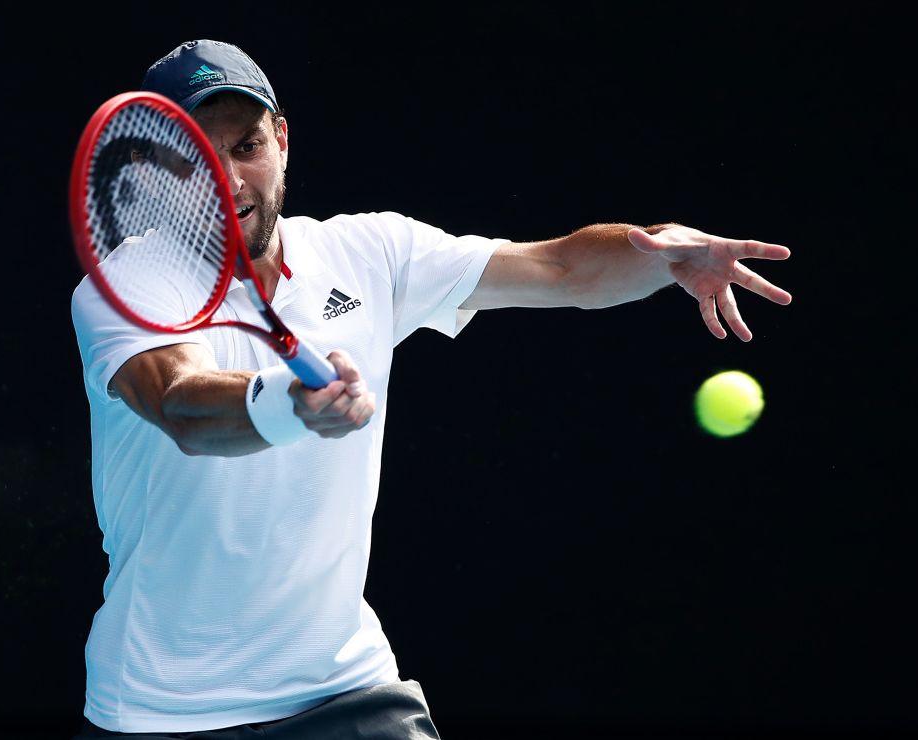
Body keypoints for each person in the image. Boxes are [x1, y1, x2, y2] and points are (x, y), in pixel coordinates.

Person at [69, 39, 792, 740]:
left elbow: (562, 269)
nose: (228, 178)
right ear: (153, 170)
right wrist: (285, 402)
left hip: (341, 688)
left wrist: (664, 254)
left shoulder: (370, 251)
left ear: (282, 141)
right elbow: (182, 403)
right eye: (197, 155)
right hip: (163, 709)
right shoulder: (128, 283)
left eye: (246, 146)